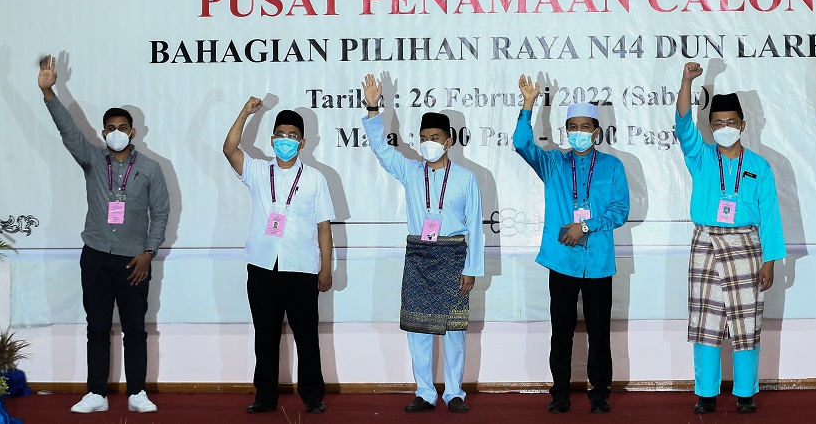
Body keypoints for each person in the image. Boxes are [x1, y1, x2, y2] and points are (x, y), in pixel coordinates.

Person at [38, 54, 168, 414]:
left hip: (133, 260)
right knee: (97, 327)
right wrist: (49, 93)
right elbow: (68, 131)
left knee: (134, 330)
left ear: (132, 132)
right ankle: (96, 393)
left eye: (122, 127)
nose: (116, 132)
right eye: (110, 127)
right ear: (103, 131)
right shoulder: (93, 159)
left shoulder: (152, 170)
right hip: (95, 254)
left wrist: (149, 252)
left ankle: (137, 393)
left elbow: (161, 213)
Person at [360, 75, 484, 414]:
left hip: (454, 257)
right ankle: (425, 392)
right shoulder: (411, 170)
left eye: (435, 138)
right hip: (418, 255)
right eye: (424, 138)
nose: (429, 143)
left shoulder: (465, 178)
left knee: (454, 331)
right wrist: (374, 107)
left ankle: (455, 392)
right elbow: (381, 149)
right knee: (418, 329)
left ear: (449, 141)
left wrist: (472, 268)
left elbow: (475, 226)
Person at [513, 75, 630, 414]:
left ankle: (600, 393)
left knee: (599, 333)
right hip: (562, 260)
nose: (578, 132)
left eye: (585, 127)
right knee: (561, 332)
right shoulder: (553, 163)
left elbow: (620, 210)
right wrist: (528, 104)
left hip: (598, 263)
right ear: (566, 132)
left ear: (596, 132)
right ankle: (560, 393)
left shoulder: (612, 166)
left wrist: (585, 225)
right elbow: (522, 143)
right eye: (572, 127)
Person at [676, 62, 785, 414]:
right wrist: (687, 81)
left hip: (747, 247)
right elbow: (681, 125)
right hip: (706, 244)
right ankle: (706, 393)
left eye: (731, 123)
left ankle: (745, 393)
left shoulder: (760, 166)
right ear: (710, 128)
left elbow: (769, 216)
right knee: (705, 322)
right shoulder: (701, 156)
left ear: (743, 125)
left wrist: (770, 260)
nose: (725, 129)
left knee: (746, 322)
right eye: (718, 124)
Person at [223, 99, 334, 414]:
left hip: (301, 268)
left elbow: (324, 228)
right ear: (272, 139)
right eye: (280, 134)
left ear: (302, 142)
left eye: (292, 134)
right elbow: (229, 148)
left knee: (306, 336)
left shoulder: (315, 178)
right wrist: (245, 113)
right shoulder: (258, 170)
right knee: (265, 336)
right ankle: (265, 396)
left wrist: (325, 269)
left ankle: (313, 395)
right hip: (262, 266)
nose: (286, 139)